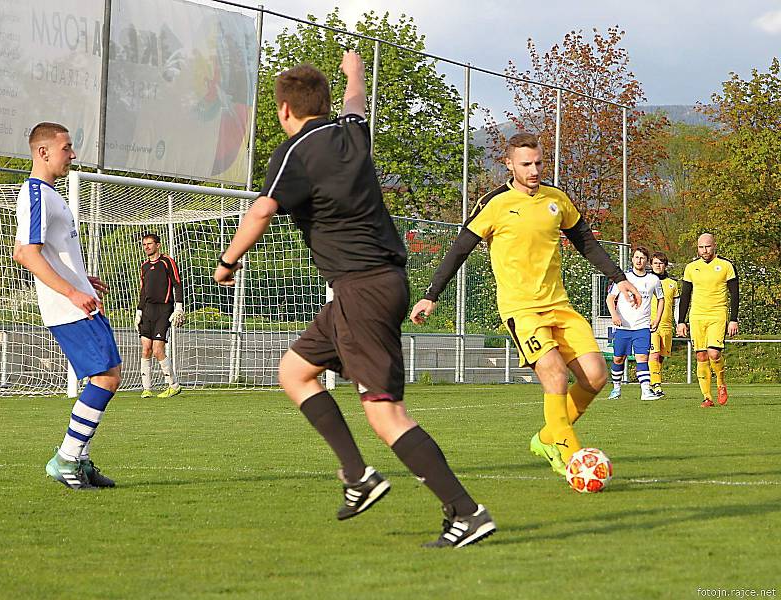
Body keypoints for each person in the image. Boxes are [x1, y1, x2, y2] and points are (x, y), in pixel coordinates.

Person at [213, 52, 494, 548]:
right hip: (369, 287)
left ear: (284, 111)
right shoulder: (351, 134)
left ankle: (467, 512)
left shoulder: (294, 151)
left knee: (385, 413)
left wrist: (229, 261)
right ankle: (358, 474)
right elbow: (357, 103)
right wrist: (355, 73)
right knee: (294, 371)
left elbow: (260, 210)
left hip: (362, 288)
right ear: (324, 104)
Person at [410, 132, 641, 478]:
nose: (534, 170)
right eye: (526, 164)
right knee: (554, 373)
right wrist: (431, 294)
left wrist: (619, 277)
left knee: (596, 377)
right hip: (521, 310)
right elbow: (460, 249)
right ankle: (573, 457)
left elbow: (586, 243)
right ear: (509, 164)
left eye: (538, 163)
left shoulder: (556, 199)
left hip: (559, 306)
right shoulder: (494, 204)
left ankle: (549, 437)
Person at [12, 122, 121, 489]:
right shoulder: (35, 193)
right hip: (68, 307)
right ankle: (67, 459)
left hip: (78, 300)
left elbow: (46, 252)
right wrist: (72, 292)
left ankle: (80, 460)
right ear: (43, 152)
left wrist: (80, 279)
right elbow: (26, 253)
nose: (72, 155)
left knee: (107, 375)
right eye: (67, 147)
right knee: (106, 377)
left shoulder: (51, 194)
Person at [676, 233, 739, 407]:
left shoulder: (726, 265)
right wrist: (681, 321)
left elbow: (735, 294)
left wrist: (733, 319)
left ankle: (720, 383)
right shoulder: (691, 267)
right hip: (697, 316)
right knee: (701, 355)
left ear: (714, 246)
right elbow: (685, 296)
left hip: (717, 314)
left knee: (714, 353)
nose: (704, 250)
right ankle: (707, 397)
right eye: (701, 247)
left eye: (707, 246)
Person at [606, 246, 664, 401]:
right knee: (618, 359)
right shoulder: (623, 278)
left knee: (642, 358)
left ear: (647, 261)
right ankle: (616, 388)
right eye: (637, 257)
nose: (639, 261)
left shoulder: (653, 280)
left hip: (642, 327)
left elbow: (661, 299)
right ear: (632, 259)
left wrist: (657, 319)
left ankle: (645, 391)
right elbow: (610, 298)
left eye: (643, 258)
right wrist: (614, 315)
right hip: (624, 327)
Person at [135, 233, 184, 398]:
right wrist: (139, 311)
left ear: (158, 245)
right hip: (147, 310)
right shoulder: (144, 266)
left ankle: (173, 385)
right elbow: (143, 291)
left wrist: (178, 307)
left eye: (149, 243)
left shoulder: (167, 261)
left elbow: (177, 283)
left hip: (164, 310)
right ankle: (147, 388)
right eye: (144, 244)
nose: (146, 247)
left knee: (157, 350)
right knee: (146, 349)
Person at [648, 251, 680, 397]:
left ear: (665, 265)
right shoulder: (646, 281)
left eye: (661, 263)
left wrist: (680, 323)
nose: (658, 265)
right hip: (651, 325)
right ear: (651, 265)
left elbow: (677, 306)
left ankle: (650, 384)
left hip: (667, 327)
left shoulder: (673, 284)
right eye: (655, 263)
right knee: (653, 355)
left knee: (660, 357)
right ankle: (657, 386)